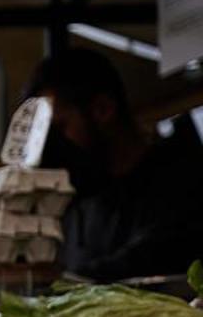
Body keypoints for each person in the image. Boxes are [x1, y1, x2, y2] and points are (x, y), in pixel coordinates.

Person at [24, 47, 203, 283]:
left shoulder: (181, 181)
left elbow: (152, 257)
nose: (55, 147)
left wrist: (58, 284)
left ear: (102, 110)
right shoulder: (79, 208)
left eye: (61, 128)